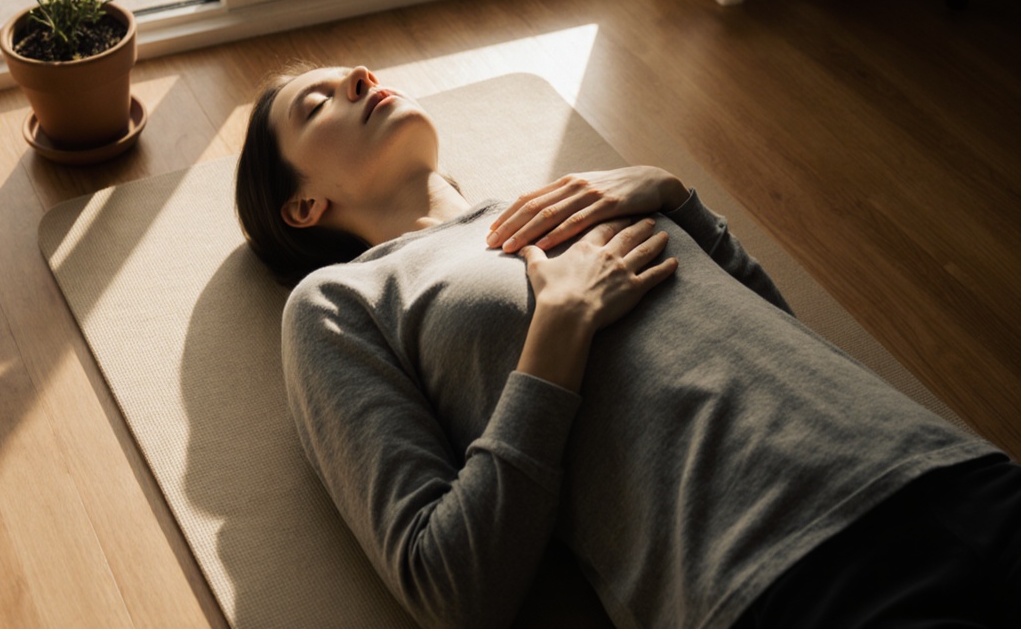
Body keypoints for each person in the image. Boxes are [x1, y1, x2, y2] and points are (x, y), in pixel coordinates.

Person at [234, 64, 1020, 629]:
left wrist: (678, 197)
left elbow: (782, 338)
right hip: (774, 575)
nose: (362, 75)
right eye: (316, 102)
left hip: (945, 472)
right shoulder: (343, 300)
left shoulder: (572, 196)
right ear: (303, 204)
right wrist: (555, 337)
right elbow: (449, 587)